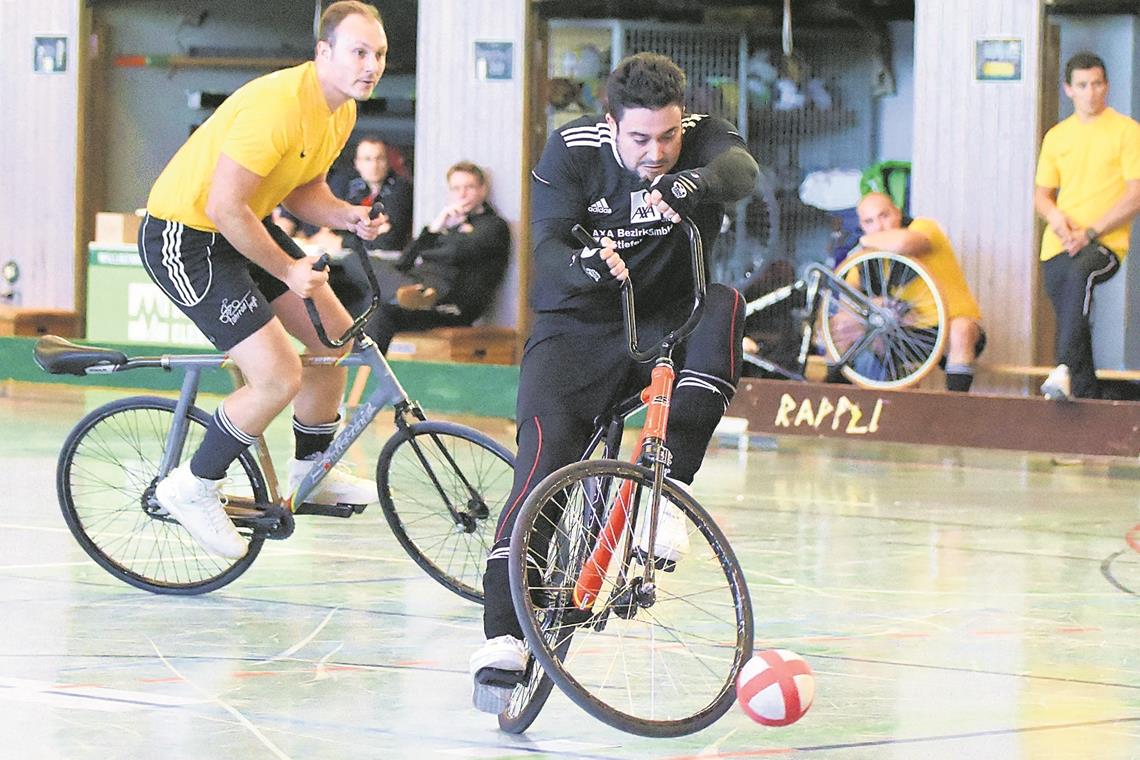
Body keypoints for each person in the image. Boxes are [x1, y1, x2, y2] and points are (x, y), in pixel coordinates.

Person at [469, 52, 758, 713]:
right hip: (579, 323)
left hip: (668, 320)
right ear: (610, 124)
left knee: (724, 303)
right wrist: (580, 265)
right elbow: (543, 244)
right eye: (639, 138)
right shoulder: (573, 146)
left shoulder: (703, 135)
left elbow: (741, 171)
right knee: (542, 468)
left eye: (666, 137)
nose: (655, 152)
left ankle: (663, 492)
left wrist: (695, 185)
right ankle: (504, 639)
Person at [137, 1, 388, 559]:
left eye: (379, 54)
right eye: (359, 52)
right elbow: (224, 207)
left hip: (240, 229)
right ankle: (193, 486)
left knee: (335, 342)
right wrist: (289, 269)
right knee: (278, 375)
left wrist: (346, 215)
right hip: (189, 236)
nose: (371, 65)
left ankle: (313, 471)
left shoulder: (339, 109)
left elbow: (300, 189)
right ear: (324, 53)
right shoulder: (278, 105)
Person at [1034, 51, 1140, 400]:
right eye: (1083, 85)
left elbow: (1135, 194)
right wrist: (1056, 219)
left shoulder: (1127, 131)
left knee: (1081, 279)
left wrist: (1090, 232)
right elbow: (1041, 196)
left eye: (1097, 84)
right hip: (1059, 243)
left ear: (1106, 86)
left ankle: (1063, 368)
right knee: (1071, 317)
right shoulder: (1057, 136)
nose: (1091, 92)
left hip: (1102, 243)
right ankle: (1085, 395)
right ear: (1069, 89)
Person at [335, 160, 510, 353]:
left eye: (469, 187)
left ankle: (360, 373)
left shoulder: (493, 226)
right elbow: (404, 262)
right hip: (417, 291)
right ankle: (405, 293)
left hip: (448, 304)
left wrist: (437, 240)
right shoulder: (445, 225)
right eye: (456, 188)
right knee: (353, 260)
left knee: (376, 306)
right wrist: (435, 227)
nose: (462, 194)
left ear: (482, 190)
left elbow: (454, 252)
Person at [853, 192, 986, 392]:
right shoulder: (866, 258)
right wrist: (872, 305)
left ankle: (956, 409)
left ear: (897, 213)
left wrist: (865, 240)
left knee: (961, 329)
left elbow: (903, 244)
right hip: (905, 331)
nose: (879, 226)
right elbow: (848, 298)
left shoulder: (923, 227)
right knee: (859, 329)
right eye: (869, 221)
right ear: (862, 225)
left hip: (950, 327)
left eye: (884, 216)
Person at [310, 136, 414, 255]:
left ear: (387, 162)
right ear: (357, 163)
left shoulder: (400, 189)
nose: (374, 165)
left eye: (379, 159)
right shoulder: (350, 188)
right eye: (367, 159)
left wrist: (342, 241)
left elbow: (388, 241)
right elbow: (327, 232)